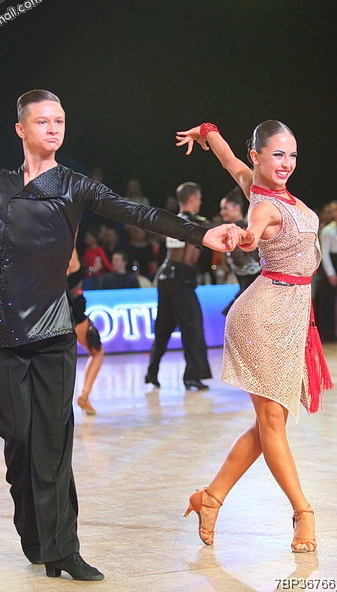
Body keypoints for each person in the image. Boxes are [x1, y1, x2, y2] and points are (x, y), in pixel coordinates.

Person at [0, 90, 241, 581]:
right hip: (6, 326)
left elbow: (137, 213)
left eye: (59, 120)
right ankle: (35, 538)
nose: (54, 128)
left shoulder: (75, 185)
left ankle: (63, 549)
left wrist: (201, 234)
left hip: (55, 327)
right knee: (18, 442)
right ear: (21, 129)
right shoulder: (1, 182)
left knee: (53, 442)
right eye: (43, 121)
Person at [175, 120, 333, 554]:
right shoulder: (262, 206)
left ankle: (210, 497)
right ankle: (303, 512)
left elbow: (228, 160)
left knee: (269, 424)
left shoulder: (254, 183)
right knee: (272, 423)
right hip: (262, 317)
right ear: (258, 157)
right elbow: (250, 236)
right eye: (277, 154)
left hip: (290, 315)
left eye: (292, 154)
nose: (286, 163)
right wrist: (241, 237)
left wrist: (207, 132)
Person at [145, 182, 212, 390]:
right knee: (192, 326)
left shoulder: (173, 222)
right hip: (180, 279)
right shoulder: (195, 224)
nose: (200, 202)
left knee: (164, 327)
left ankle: (152, 372)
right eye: (199, 198)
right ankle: (192, 376)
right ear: (192, 199)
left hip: (166, 277)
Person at [67, 247, 104, 415]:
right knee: (97, 353)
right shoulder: (69, 254)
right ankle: (84, 395)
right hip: (75, 316)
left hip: (51, 315)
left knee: (20, 361)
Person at [219, 188, 261, 314]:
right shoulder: (229, 230)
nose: (221, 212)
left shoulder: (247, 230)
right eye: (221, 209)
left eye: (225, 208)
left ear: (237, 208)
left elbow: (249, 263)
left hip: (254, 286)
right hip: (246, 287)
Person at [314, 201, 337, 341]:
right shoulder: (328, 231)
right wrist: (331, 273)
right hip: (333, 264)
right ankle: (328, 332)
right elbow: (325, 253)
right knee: (329, 300)